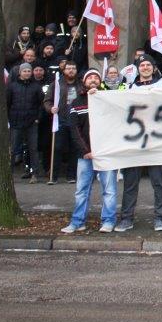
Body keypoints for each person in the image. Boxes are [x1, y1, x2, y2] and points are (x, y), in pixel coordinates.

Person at [61, 69, 119, 234]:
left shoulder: (109, 100)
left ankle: (108, 221)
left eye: (96, 77)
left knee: (109, 190)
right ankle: (78, 222)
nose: (93, 80)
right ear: (84, 82)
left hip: (106, 154)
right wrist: (85, 150)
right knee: (81, 190)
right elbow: (74, 130)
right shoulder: (76, 103)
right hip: (86, 155)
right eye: (90, 78)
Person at [115, 57, 162, 233]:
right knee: (130, 182)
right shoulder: (130, 88)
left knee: (158, 182)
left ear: (153, 68)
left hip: (156, 141)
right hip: (135, 141)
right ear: (138, 69)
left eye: (148, 65)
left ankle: (159, 218)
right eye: (142, 66)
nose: (145, 68)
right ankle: (127, 218)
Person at [7, 62, 45, 183]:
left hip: (31, 122)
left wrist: (38, 117)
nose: (27, 73)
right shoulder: (12, 86)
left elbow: (41, 104)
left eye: (29, 71)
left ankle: (35, 174)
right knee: (13, 148)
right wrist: (9, 118)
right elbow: (7, 103)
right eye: (25, 71)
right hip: (16, 121)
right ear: (20, 72)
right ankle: (9, 174)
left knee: (33, 148)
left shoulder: (36, 87)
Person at [44, 59, 80, 184]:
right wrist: (50, 108)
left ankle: (71, 175)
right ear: (64, 70)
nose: (71, 71)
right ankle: (53, 176)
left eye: (73, 68)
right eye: (68, 68)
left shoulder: (80, 84)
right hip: (61, 120)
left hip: (76, 122)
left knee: (74, 148)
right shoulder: (57, 84)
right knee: (57, 147)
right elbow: (47, 100)